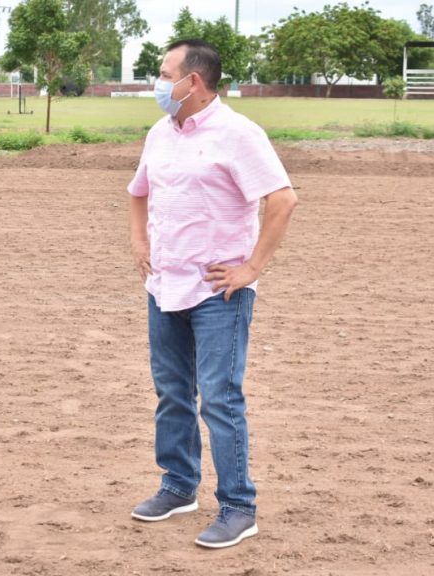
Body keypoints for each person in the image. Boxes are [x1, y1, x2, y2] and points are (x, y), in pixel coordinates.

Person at [127, 39, 297, 549]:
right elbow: (138, 192)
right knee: (172, 392)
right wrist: (139, 243)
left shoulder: (238, 133)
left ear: (193, 81)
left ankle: (239, 507)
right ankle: (179, 486)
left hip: (218, 292)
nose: (158, 84)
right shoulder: (161, 132)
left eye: (164, 74)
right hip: (165, 286)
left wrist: (251, 268)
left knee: (220, 400)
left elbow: (283, 199)